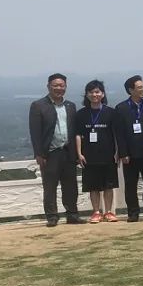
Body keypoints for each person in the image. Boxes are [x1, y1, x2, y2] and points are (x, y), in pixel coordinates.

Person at [28, 73, 82, 226]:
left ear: (66, 87)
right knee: (50, 186)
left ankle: (72, 214)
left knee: (70, 186)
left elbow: (74, 130)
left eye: (62, 85)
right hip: (50, 153)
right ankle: (52, 216)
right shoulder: (38, 105)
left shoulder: (70, 106)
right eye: (55, 85)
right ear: (48, 86)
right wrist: (39, 153)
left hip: (68, 151)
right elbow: (35, 132)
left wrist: (77, 153)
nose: (59, 88)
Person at [114, 75, 143, 222]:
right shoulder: (121, 108)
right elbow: (119, 133)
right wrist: (123, 153)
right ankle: (133, 213)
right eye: (140, 87)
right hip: (130, 154)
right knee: (130, 185)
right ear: (130, 90)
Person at [75, 79, 119, 223]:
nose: (94, 95)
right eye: (91, 92)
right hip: (89, 155)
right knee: (93, 186)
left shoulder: (111, 112)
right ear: (87, 95)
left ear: (102, 94)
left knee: (109, 185)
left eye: (97, 92)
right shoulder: (81, 114)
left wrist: (117, 151)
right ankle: (96, 212)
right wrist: (79, 153)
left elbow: (116, 134)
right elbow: (77, 135)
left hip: (108, 154)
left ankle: (109, 212)